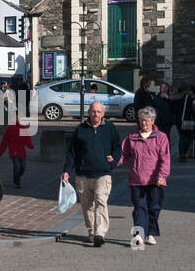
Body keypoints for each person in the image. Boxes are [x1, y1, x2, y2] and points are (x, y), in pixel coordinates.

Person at [62, 100, 121, 247]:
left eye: (99, 112)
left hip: (103, 173)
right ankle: (92, 232)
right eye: (93, 111)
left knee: (101, 201)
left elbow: (118, 149)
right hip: (83, 174)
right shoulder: (80, 130)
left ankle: (100, 233)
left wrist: (112, 162)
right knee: (87, 205)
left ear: (103, 113)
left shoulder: (110, 128)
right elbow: (71, 153)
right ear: (89, 113)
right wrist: (67, 171)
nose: (96, 114)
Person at [116, 105, 171, 246]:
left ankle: (151, 233)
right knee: (139, 207)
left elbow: (165, 159)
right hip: (137, 179)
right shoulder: (131, 138)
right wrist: (112, 161)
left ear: (153, 121)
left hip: (155, 180)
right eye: (141, 120)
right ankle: (139, 234)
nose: (144, 123)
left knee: (154, 207)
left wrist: (162, 175)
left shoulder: (161, 137)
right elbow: (123, 155)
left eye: (147, 120)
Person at [0, 109, 34, 189]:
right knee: (17, 167)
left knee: (23, 167)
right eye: (15, 117)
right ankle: (17, 182)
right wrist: (1, 151)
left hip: (22, 151)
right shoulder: (10, 128)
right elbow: (4, 141)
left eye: (18, 117)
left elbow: (27, 139)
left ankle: (17, 178)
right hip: (14, 151)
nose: (17, 119)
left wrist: (31, 146)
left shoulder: (23, 128)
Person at [174, 83, 195, 163]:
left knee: (183, 137)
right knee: (187, 138)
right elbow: (192, 110)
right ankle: (182, 154)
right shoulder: (189, 98)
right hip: (186, 120)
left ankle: (182, 154)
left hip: (179, 120)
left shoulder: (176, 97)